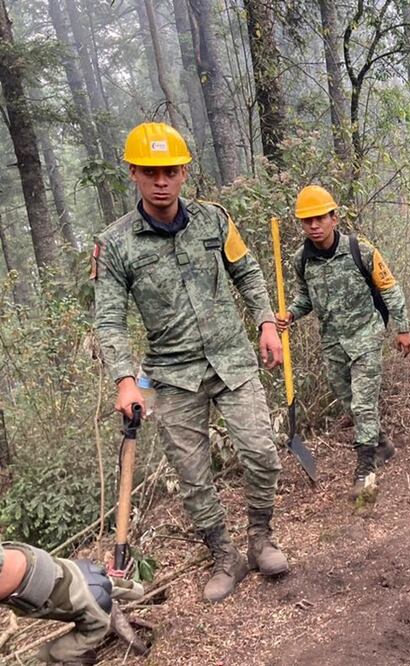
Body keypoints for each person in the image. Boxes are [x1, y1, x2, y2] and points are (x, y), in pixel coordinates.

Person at [94, 122, 288, 603]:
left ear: (184, 173)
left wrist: (265, 322)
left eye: (170, 171)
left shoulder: (214, 221)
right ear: (135, 174)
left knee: (261, 453)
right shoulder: (115, 244)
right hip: (173, 373)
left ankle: (260, 539)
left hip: (232, 361)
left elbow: (247, 271)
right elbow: (109, 320)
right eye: (150, 172)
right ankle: (225, 556)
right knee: (193, 476)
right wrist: (124, 381)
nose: (161, 181)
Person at [276, 185, 410, 500]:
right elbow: (305, 298)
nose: (314, 226)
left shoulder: (360, 250)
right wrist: (291, 315)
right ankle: (382, 444)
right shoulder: (302, 260)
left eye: (319, 219)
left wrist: (403, 329)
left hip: (365, 336)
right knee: (349, 402)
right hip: (332, 344)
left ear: (334, 218)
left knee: (364, 403)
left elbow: (390, 289)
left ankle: (365, 468)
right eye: (307, 221)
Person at [0, 543, 145, 664]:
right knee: (120, 586)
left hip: (93, 607)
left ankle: (81, 658)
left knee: (50, 654)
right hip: (75, 570)